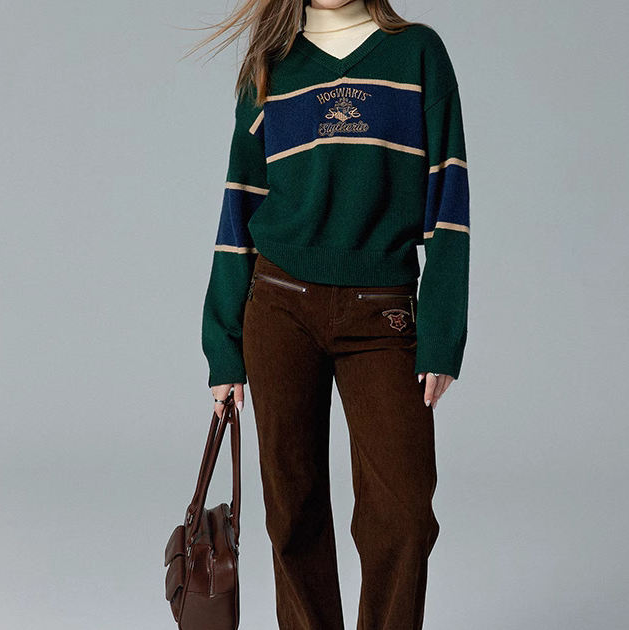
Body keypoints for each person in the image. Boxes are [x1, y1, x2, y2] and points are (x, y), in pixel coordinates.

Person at [195, 0, 470, 627]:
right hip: (279, 307)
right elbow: (240, 201)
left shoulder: (417, 53)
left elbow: (449, 195)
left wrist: (441, 331)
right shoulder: (270, 64)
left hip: (384, 313)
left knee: (404, 515)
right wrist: (223, 345)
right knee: (292, 515)